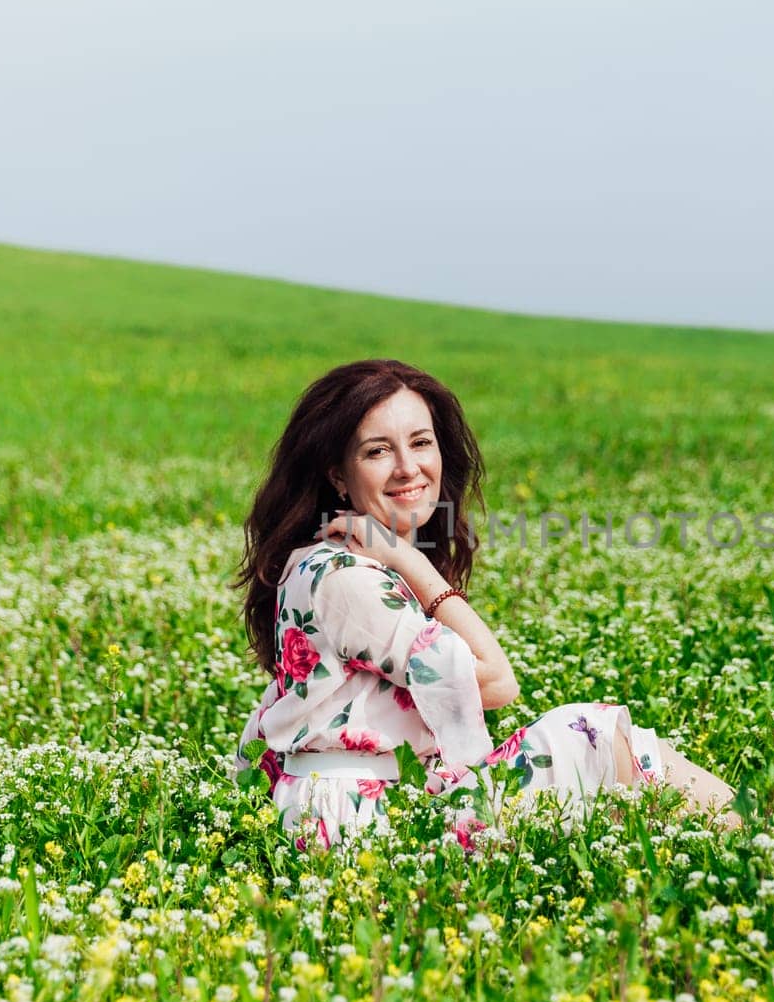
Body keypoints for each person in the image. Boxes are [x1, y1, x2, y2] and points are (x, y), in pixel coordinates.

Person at [231, 359, 739, 848]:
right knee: (590, 733)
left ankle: (747, 830)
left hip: (377, 808)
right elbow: (498, 682)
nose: (409, 468)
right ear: (339, 476)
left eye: (421, 443)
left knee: (600, 777)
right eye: (378, 451)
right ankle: (759, 832)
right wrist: (415, 565)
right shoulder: (346, 577)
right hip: (368, 826)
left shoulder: (330, 560)